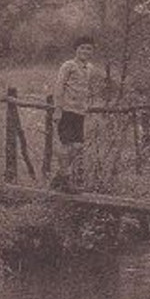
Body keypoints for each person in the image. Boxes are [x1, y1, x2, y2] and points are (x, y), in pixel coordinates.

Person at [52, 36, 95, 191]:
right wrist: (58, 109)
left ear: (93, 51)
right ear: (76, 49)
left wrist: (87, 105)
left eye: (89, 48)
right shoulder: (68, 65)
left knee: (77, 146)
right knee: (66, 146)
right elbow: (59, 86)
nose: (85, 51)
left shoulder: (90, 68)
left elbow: (87, 89)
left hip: (80, 112)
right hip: (66, 111)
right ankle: (66, 180)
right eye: (82, 48)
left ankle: (59, 177)